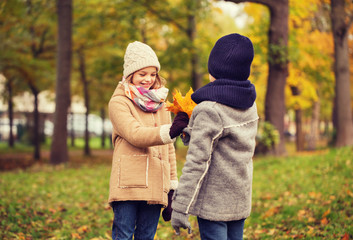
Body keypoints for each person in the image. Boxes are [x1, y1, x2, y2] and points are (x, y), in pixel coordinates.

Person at [169, 33, 259, 240]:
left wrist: (180, 207)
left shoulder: (209, 110)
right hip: (240, 198)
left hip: (214, 205)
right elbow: (227, 143)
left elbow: (197, 162)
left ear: (215, 70)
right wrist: (191, 131)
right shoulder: (249, 104)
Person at [108, 41, 178, 240]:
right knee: (123, 234)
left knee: (146, 236)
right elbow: (135, 134)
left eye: (153, 74)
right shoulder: (119, 102)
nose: (148, 79)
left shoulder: (162, 104)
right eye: (142, 74)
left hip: (156, 181)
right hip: (128, 184)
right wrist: (170, 131)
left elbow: (169, 147)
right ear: (131, 74)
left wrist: (172, 184)